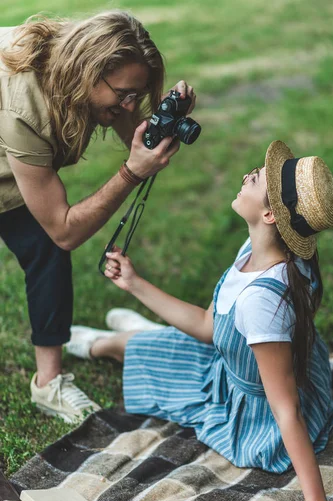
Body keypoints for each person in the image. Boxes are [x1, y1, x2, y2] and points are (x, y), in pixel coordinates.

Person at [66, 140, 333, 501]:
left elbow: (286, 409)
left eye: (256, 178)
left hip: (254, 412)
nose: (246, 175)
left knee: (136, 349)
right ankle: (145, 333)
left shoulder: (262, 302)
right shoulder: (263, 249)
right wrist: (135, 283)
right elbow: (210, 324)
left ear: (270, 214)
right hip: (242, 356)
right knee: (172, 344)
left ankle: (101, 344)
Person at [0, 11, 195, 422]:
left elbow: (131, 132)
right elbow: (65, 230)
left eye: (136, 94)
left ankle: (48, 385)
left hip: (14, 161)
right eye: (124, 94)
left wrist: (161, 125)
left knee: (45, 254)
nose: (129, 105)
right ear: (89, 72)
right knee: (51, 239)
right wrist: (131, 173)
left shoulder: (82, 63)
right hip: (9, 149)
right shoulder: (25, 107)